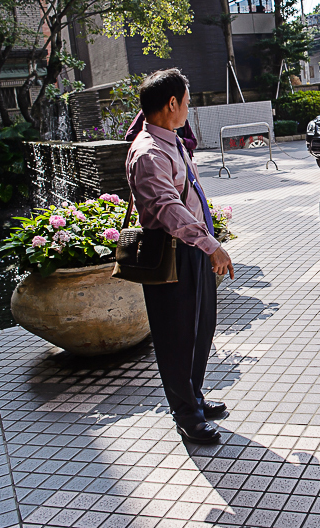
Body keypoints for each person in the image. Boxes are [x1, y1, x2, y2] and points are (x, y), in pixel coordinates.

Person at [126, 68, 235, 444]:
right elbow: (169, 209)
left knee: (200, 330)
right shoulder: (148, 153)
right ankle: (186, 416)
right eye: (187, 102)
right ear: (171, 103)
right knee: (177, 338)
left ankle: (195, 398)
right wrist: (211, 244)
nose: (189, 109)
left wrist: (206, 241)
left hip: (191, 249)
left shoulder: (170, 140)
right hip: (171, 254)